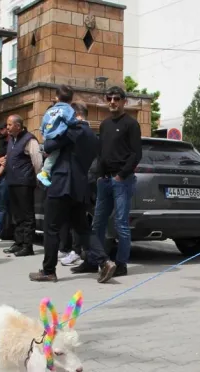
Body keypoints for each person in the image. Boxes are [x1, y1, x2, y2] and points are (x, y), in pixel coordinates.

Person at [71, 86, 140, 281]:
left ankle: (121, 264)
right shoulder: (105, 124)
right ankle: (95, 261)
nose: (112, 102)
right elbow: (101, 153)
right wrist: (101, 174)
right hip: (105, 181)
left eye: (116, 98)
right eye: (109, 98)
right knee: (97, 222)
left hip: (122, 181)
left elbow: (136, 154)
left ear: (124, 101)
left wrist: (121, 175)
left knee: (120, 224)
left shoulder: (131, 124)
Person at [29, 102, 101, 282]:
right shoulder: (92, 136)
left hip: (63, 184)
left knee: (51, 228)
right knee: (83, 229)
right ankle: (105, 261)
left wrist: (46, 144)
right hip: (80, 186)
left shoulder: (74, 130)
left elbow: (50, 145)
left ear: (74, 115)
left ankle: (48, 271)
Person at [2, 114, 41, 257]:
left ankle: (27, 245)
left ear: (18, 125)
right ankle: (18, 242)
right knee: (17, 214)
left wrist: (37, 178)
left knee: (27, 215)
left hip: (25, 182)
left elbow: (37, 161)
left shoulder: (29, 139)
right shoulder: (12, 140)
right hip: (12, 181)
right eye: (7, 125)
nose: (7, 127)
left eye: (9, 125)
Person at [37, 85, 78, 187]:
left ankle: (47, 172)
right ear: (71, 99)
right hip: (57, 136)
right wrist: (78, 123)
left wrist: (44, 135)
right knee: (55, 153)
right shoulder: (68, 109)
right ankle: (44, 173)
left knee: (51, 154)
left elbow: (42, 125)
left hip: (47, 136)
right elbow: (71, 121)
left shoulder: (50, 110)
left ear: (57, 98)